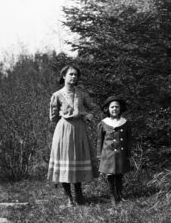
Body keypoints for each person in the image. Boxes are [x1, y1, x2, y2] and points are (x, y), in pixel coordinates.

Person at [47, 65, 97, 207]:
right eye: (71, 74)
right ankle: (69, 197)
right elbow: (53, 117)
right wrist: (65, 124)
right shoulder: (57, 95)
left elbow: (93, 107)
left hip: (79, 130)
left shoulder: (81, 94)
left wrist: (88, 115)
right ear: (64, 76)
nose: (74, 77)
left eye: (76, 75)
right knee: (65, 162)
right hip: (63, 130)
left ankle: (79, 195)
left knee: (77, 161)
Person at [97, 96, 132, 205]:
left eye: (117, 107)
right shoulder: (103, 123)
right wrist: (99, 155)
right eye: (112, 107)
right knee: (111, 175)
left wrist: (128, 153)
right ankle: (112, 196)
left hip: (121, 154)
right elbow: (100, 140)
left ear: (120, 109)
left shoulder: (125, 123)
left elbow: (129, 140)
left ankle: (119, 195)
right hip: (108, 154)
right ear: (108, 109)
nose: (114, 109)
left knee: (120, 175)